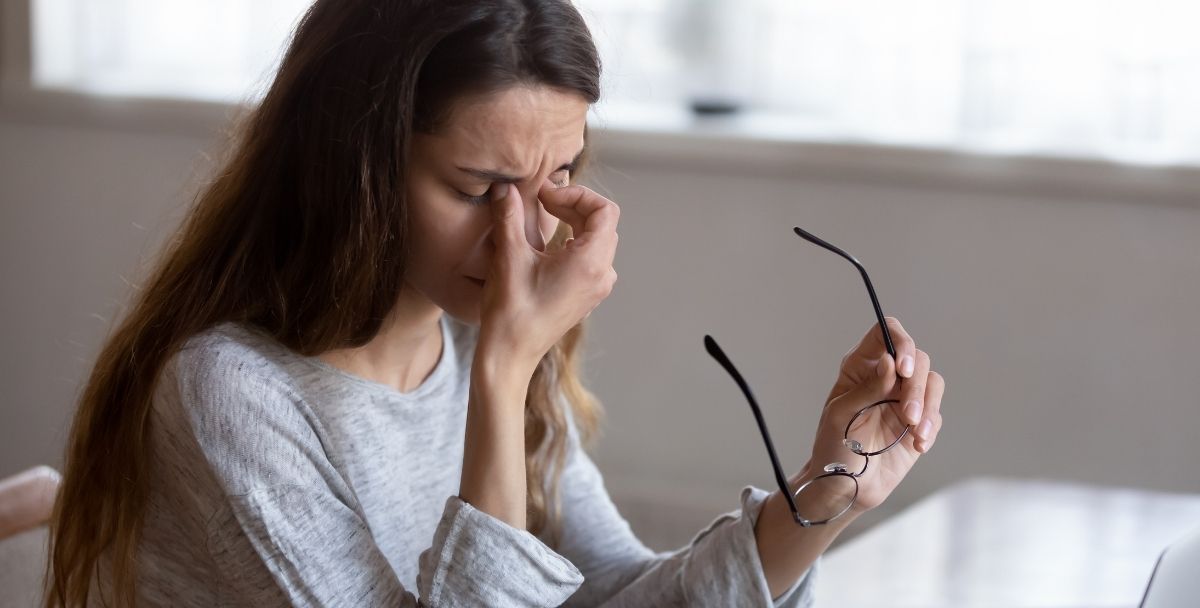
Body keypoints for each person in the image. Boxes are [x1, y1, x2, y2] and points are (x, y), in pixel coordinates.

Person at [44, 0, 945, 606]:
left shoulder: (477, 341)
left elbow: (610, 594)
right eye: (478, 188)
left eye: (557, 177)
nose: (527, 236)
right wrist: (508, 370)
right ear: (355, 169)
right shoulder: (230, 393)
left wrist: (832, 485)